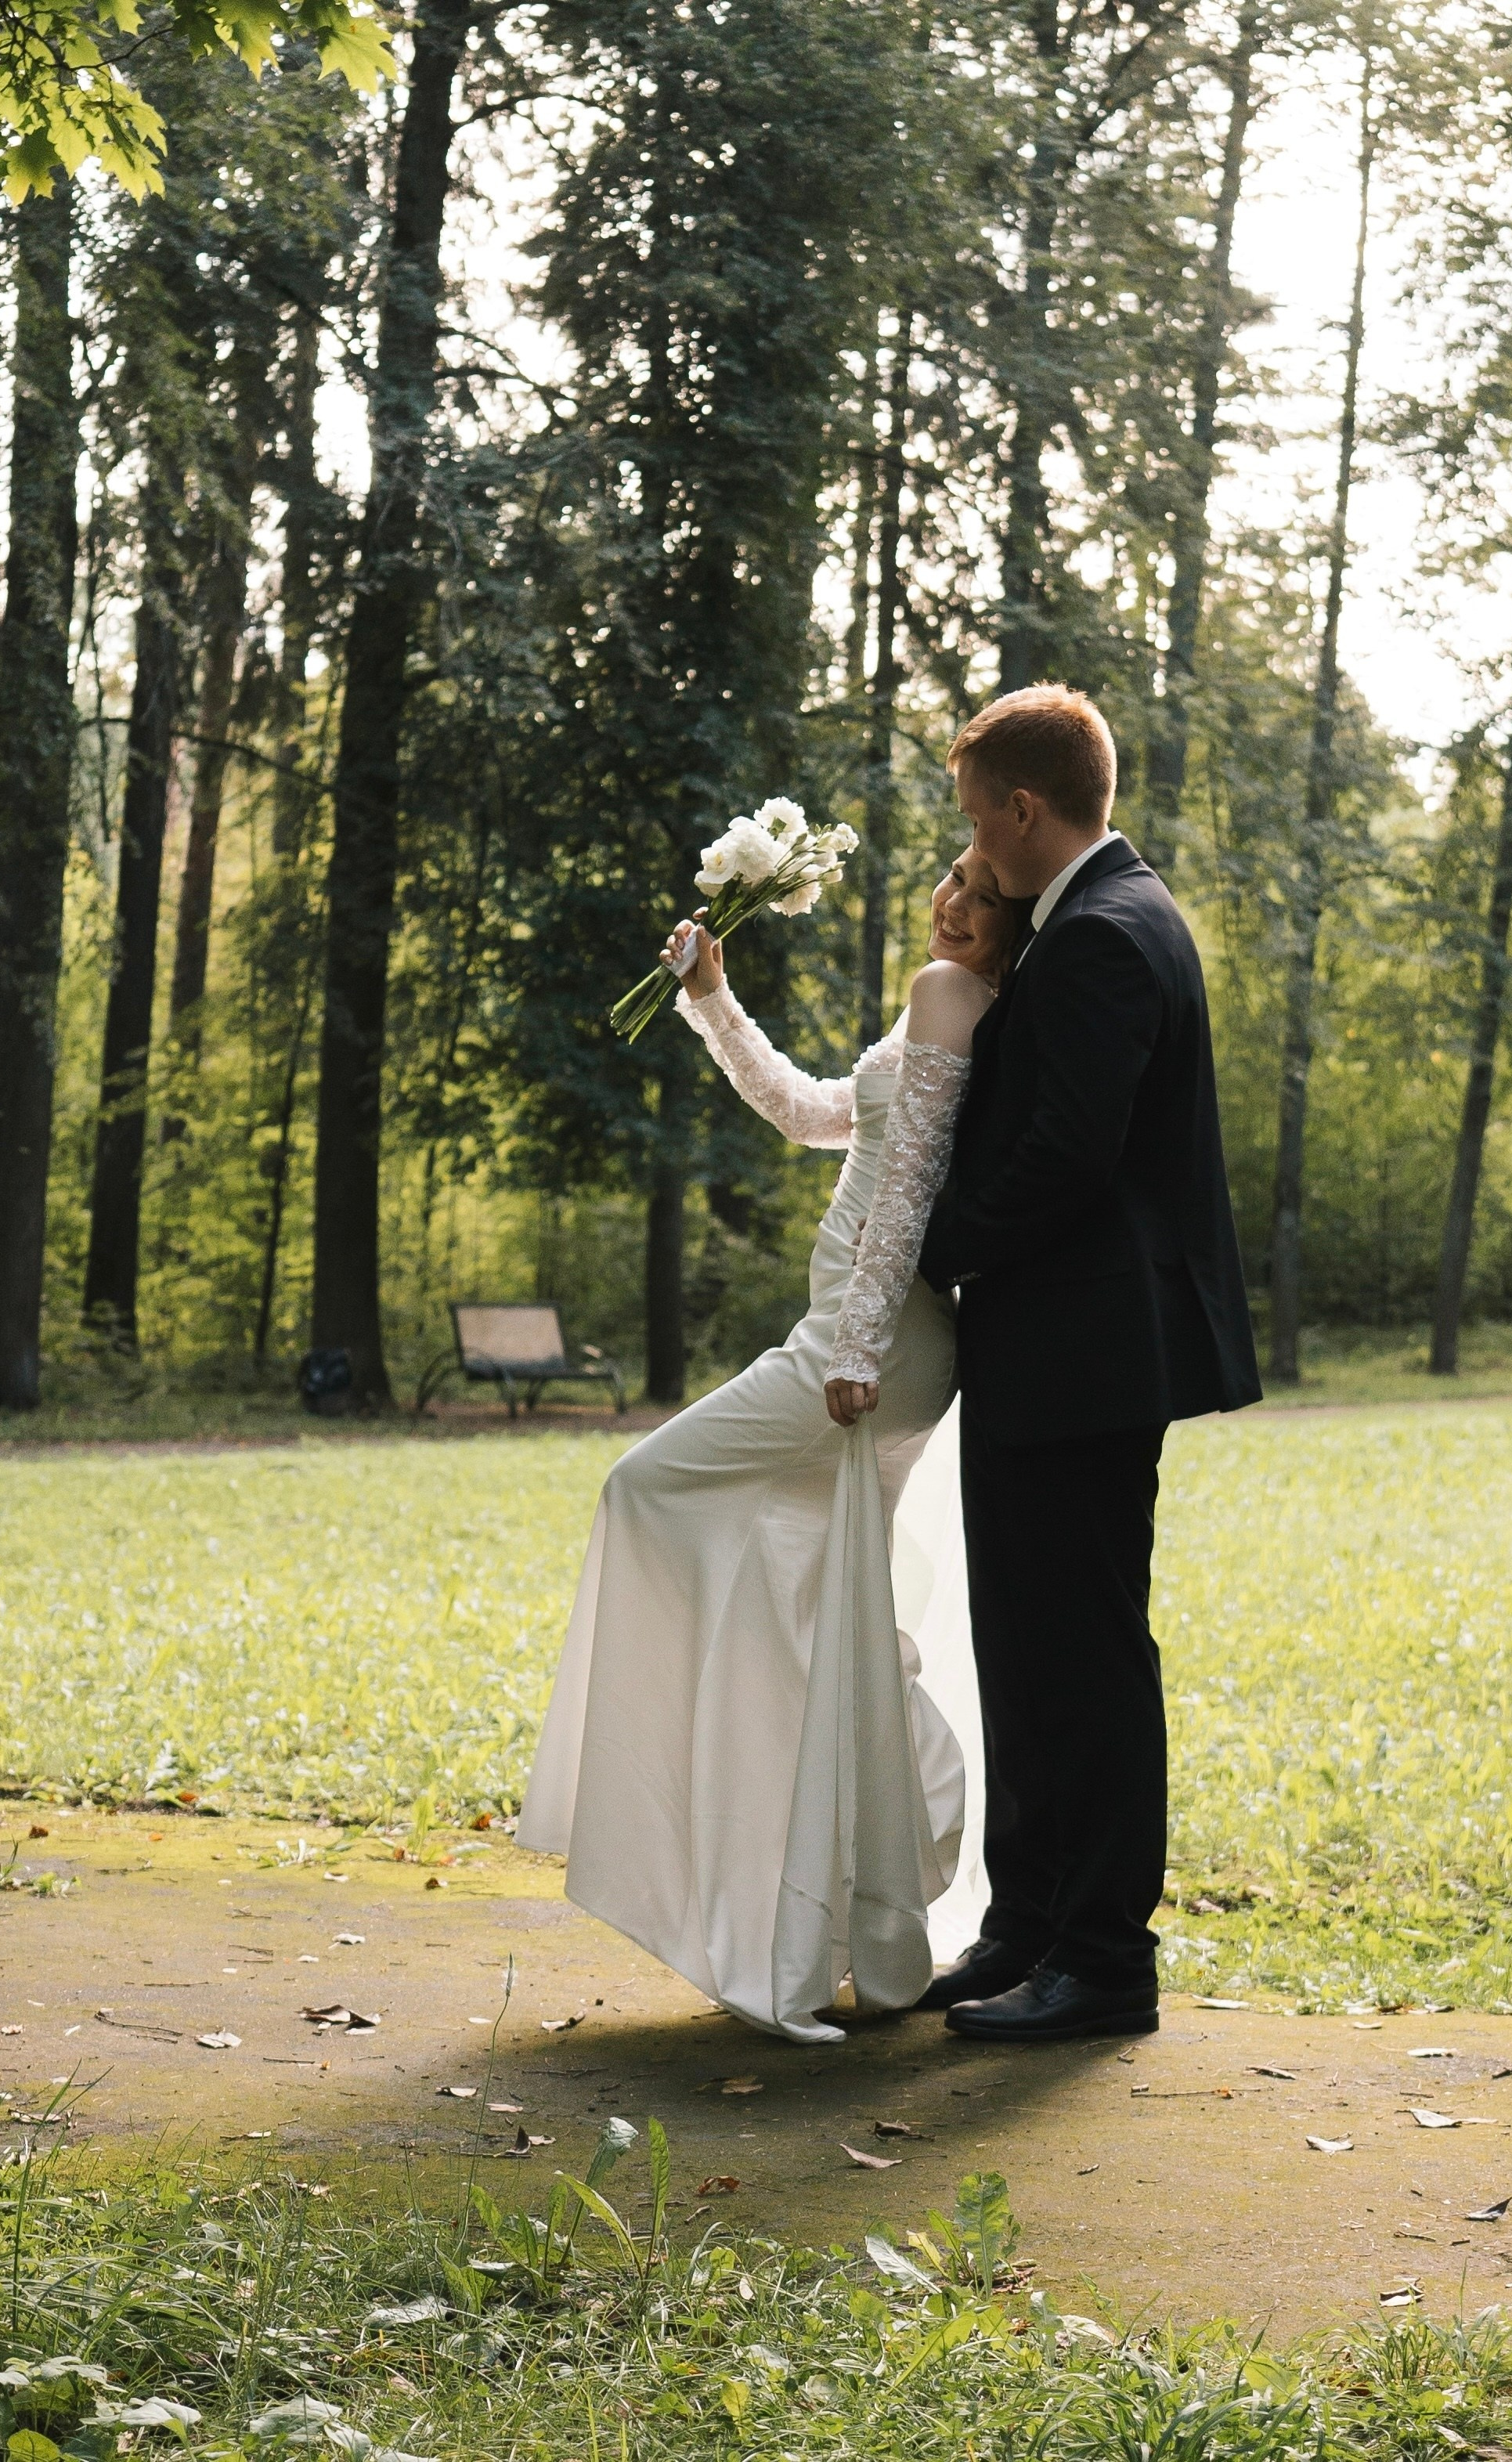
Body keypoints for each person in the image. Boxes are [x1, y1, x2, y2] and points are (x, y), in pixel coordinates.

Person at [518, 849, 1028, 2042]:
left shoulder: (945, 994)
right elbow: (814, 1114)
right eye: (948, 880)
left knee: (644, 1488)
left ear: (1015, 925)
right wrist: (712, 996)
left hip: (865, 1347)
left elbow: (903, 1188)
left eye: (979, 894)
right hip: (873, 1342)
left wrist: (849, 1349)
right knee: (815, 1593)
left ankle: (793, 1829)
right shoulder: (955, 1009)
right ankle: (845, 1848)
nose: (951, 902)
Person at [915, 685, 1261, 2046]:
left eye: (974, 818)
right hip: (1046, 1344)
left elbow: (1064, 1153)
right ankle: (1026, 1920)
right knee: (1024, 1641)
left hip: (1085, 1348)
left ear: (1020, 805)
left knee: (1086, 1653)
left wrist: (923, 1245)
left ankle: (1104, 1958)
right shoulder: (1090, 924)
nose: (971, 851)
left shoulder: (1109, 934)